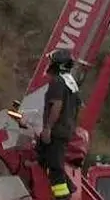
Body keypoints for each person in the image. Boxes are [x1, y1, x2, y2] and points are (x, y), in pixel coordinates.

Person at [39, 49, 81, 199]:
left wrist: (48, 128)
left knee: (55, 167)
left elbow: (56, 105)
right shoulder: (71, 83)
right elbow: (76, 108)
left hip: (56, 131)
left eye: (51, 61)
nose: (49, 64)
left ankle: (63, 196)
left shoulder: (57, 82)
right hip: (66, 130)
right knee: (43, 157)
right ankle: (69, 188)